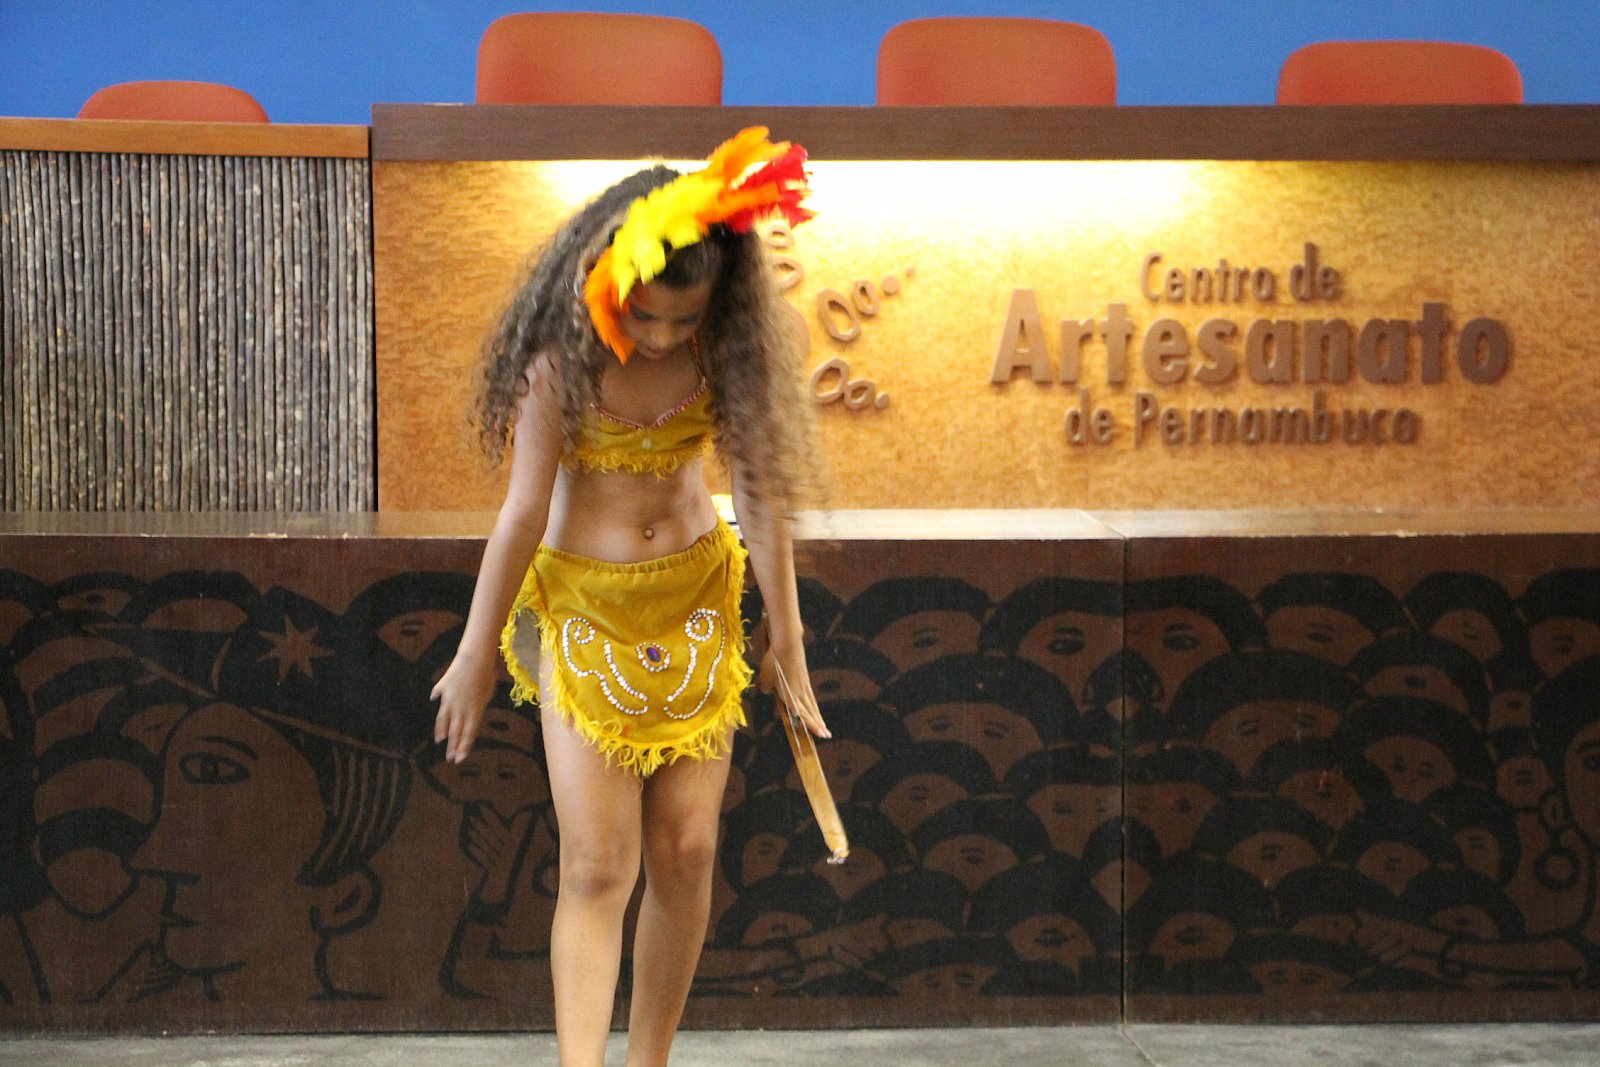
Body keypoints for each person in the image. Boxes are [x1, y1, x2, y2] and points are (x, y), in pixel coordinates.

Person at [428, 127, 828, 1067]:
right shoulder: (559, 360)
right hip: (585, 613)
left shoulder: (725, 355)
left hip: (695, 607)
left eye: (684, 321)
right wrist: (476, 653)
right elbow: (522, 512)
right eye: (644, 315)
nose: (660, 337)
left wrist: (789, 636)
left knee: (688, 851)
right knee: (599, 863)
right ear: (602, 277)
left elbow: (760, 498)